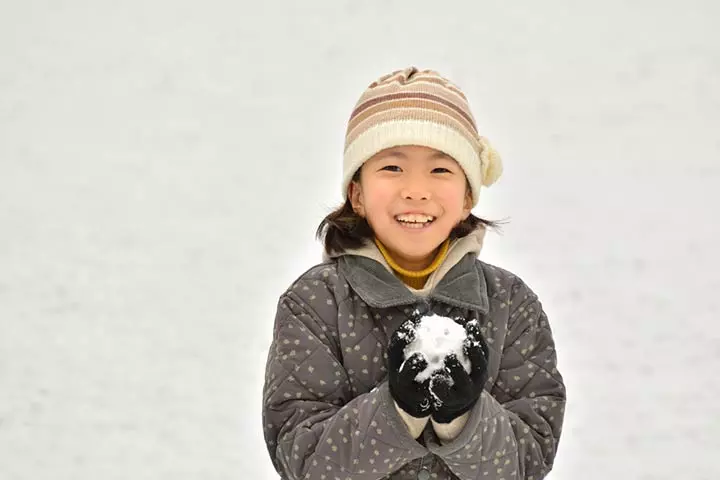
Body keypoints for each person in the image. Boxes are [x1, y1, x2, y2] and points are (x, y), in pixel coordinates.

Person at [262, 66, 566, 480]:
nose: (416, 190)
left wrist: (462, 417)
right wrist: (397, 410)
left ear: (467, 198)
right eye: (392, 168)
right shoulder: (315, 303)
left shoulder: (511, 304)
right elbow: (304, 461)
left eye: (440, 170)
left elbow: (529, 460)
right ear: (357, 193)